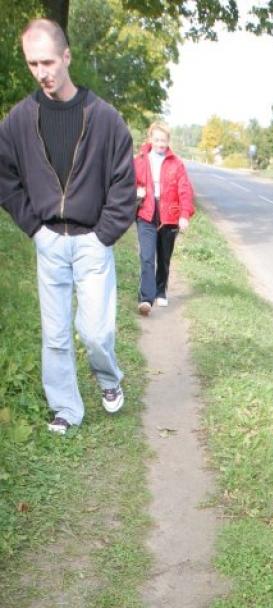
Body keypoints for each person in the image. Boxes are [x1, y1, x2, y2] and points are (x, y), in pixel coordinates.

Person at [0, 18, 137, 435]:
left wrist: (103, 235)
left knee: (95, 333)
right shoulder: (19, 121)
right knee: (55, 336)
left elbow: (124, 186)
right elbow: (5, 179)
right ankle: (66, 408)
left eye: (47, 62)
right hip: (49, 243)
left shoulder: (106, 119)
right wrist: (35, 229)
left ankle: (110, 379)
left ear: (66, 57)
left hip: (93, 242)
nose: (41, 73)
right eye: (32, 64)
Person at [134, 122, 194, 315]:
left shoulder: (176, 163)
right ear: (150, 139)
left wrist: (184, 215)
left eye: (164, 140)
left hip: (170, 214)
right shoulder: (140, 160)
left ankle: (161, 290)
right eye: (157, 139)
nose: (160, 143)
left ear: (168, 141)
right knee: (147, 256)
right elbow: (127, 183)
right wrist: (136, 191)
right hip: (146, 212)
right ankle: (146, 299)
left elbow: (185, 190)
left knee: (164, 257)